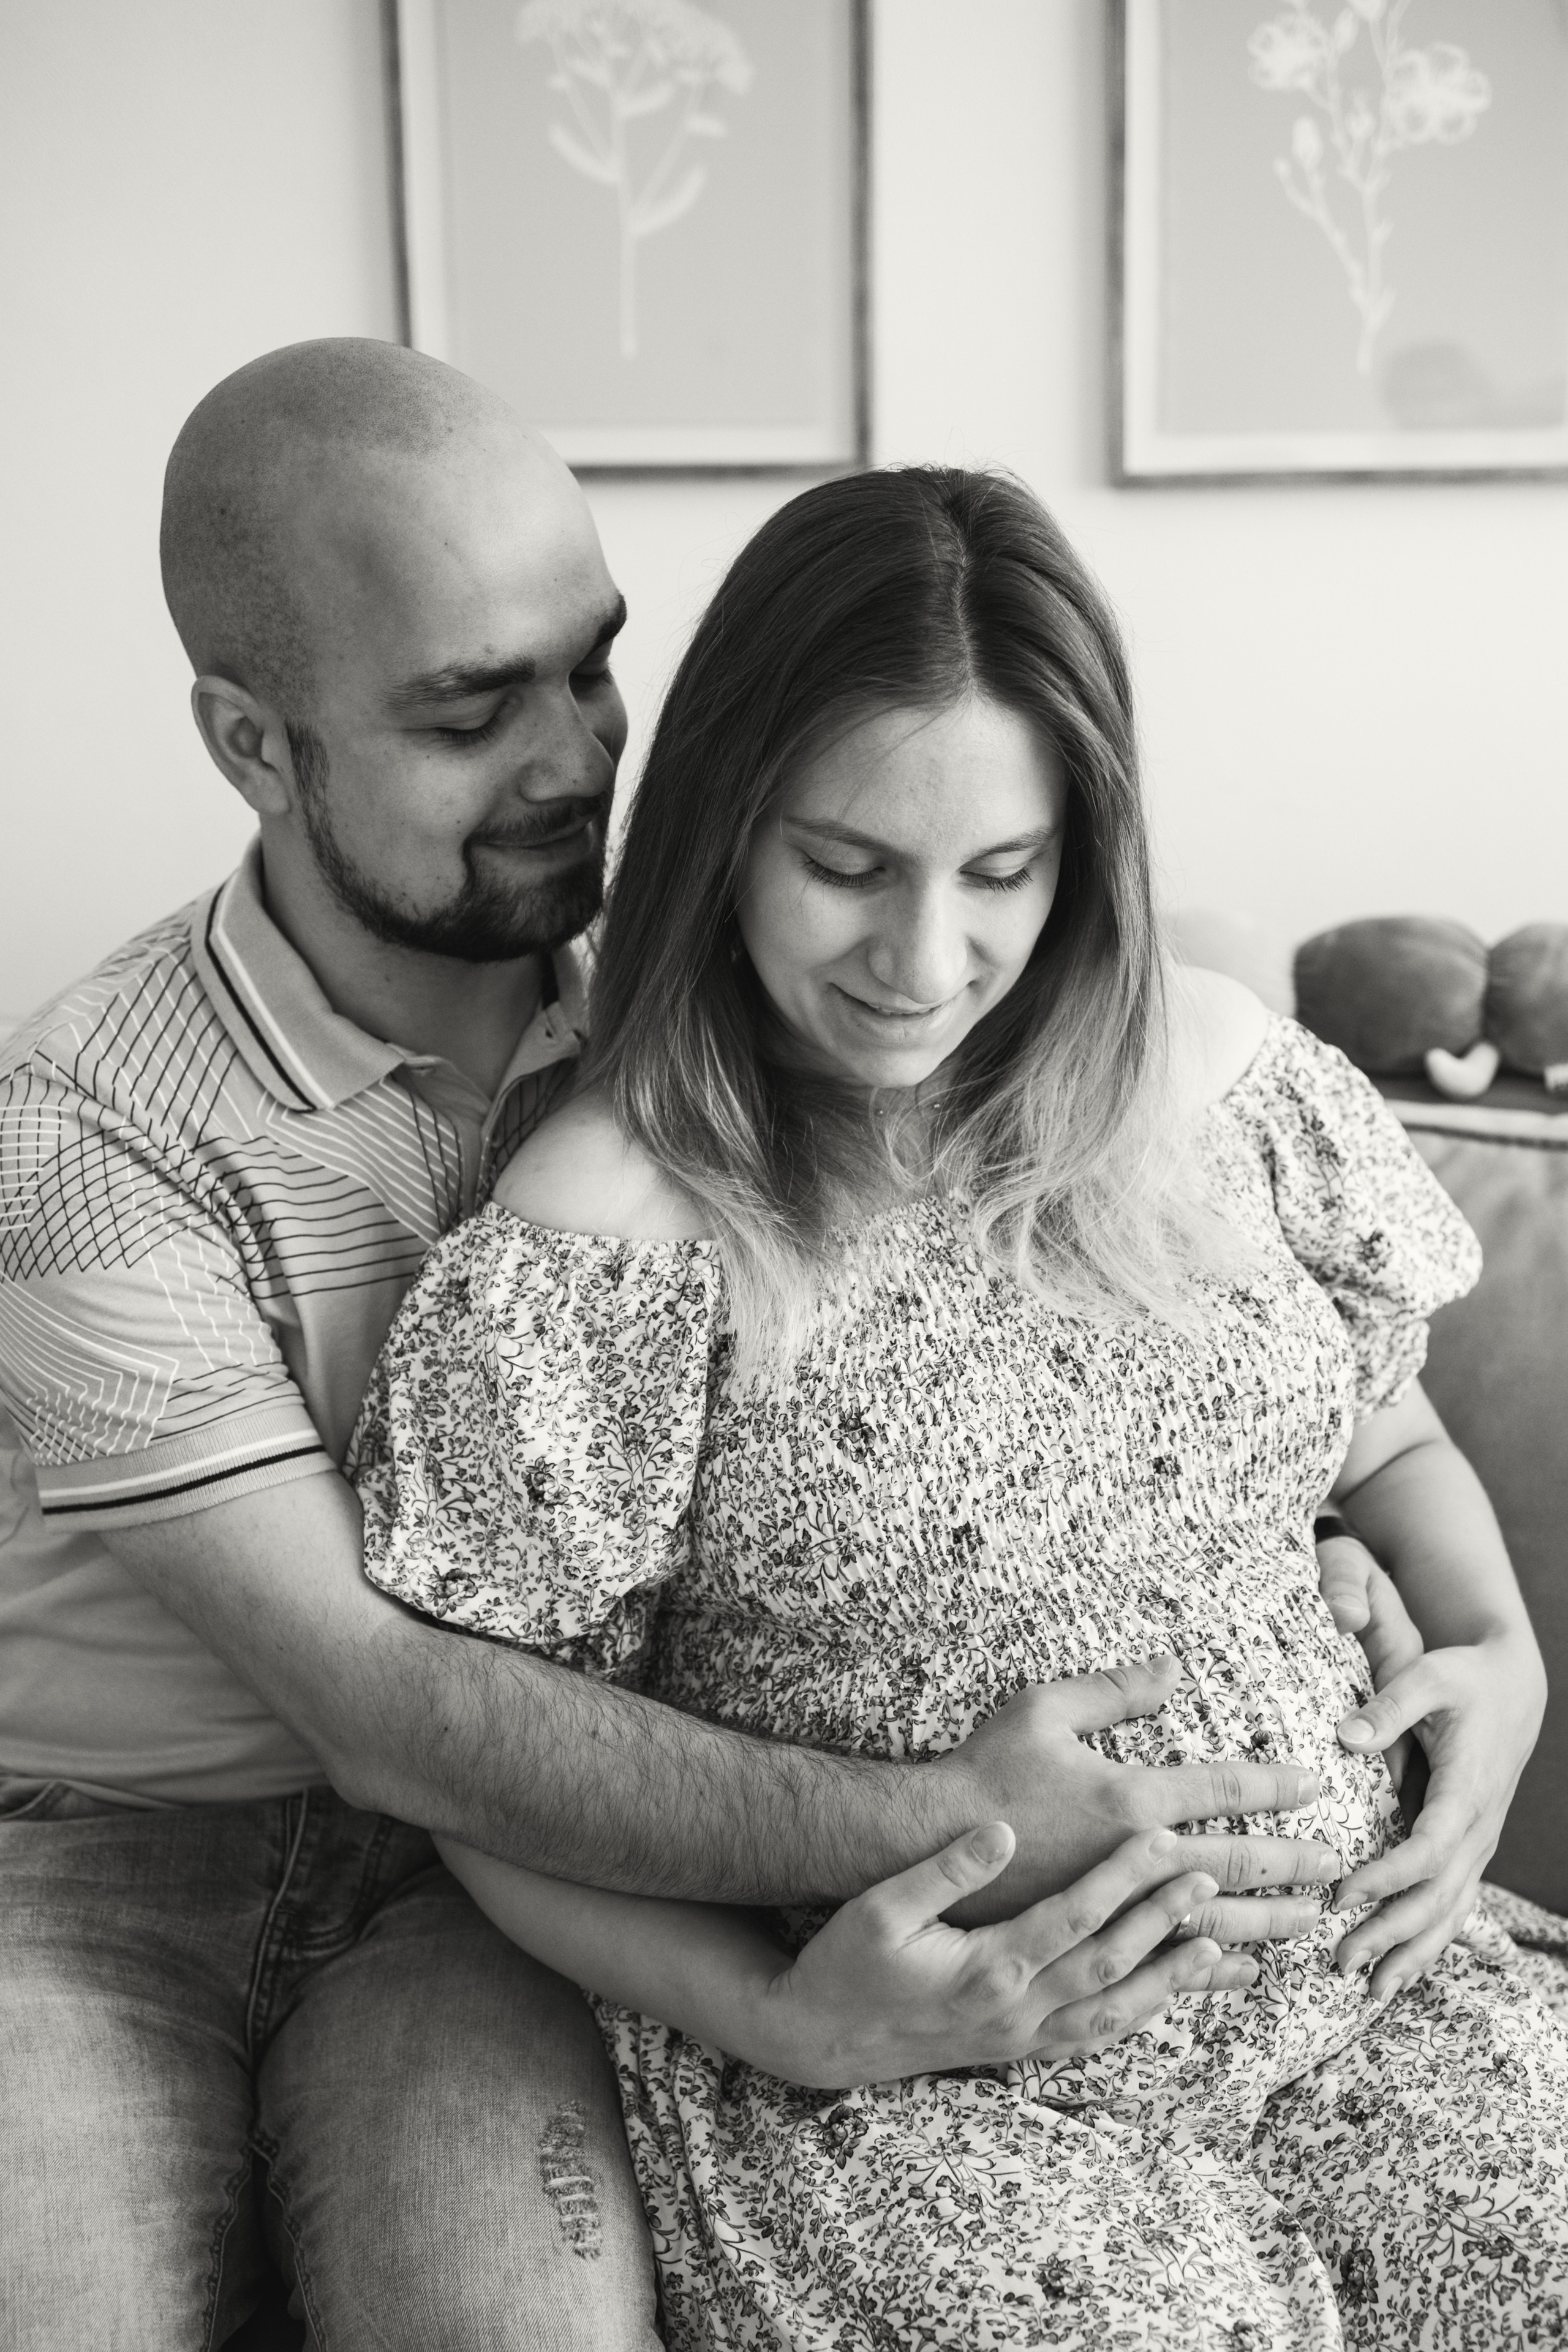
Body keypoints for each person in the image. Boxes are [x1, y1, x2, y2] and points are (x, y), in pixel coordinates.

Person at [0, 343, 1385, 2349]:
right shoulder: (82, 1135)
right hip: (128, 1856)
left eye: (590, 664)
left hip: (487, 1901)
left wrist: (1341, 1558)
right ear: (252, 742)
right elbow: (390, 1708)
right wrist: (952, 1816)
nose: (574, 760)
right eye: (472, 713)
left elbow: (1098, 1303)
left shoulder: (739, 982)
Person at [353, 463, 1568, 2349]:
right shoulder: (609, 1231)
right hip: (945, 2092)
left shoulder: (1221, 1080)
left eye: (1002, 874)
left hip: (1378, 1984)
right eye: (845, 866)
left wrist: (1499, 1658)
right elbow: (478, 1767)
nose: (924, 967)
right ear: (724, 831)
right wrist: (776, 2021)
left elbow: (1387, 1436)